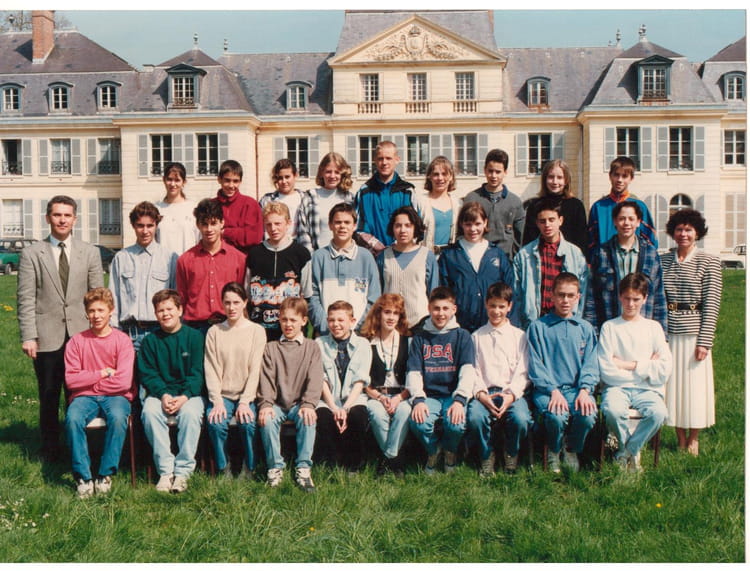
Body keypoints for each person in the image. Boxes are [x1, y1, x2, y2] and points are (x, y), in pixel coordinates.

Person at [17, 195, 104, 461]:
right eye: (57, 215)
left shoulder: (89, 252)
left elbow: (98, 296)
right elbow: (26, 298)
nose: (62, 220)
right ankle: (50, 449)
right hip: (47, 335)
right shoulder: (33, 253)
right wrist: (29, 336)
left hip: (82, 335)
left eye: (67, 215)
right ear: (48, 218)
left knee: (82, 393)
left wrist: (99, 335)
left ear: (75, 219)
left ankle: (83, 446)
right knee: (49, 393)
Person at [660, 209, 722, 456]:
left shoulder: (709, 262)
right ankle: (680, 437)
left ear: (697, 233)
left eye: (688, 229)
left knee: (695, 388)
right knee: (673, 387)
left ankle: (693, 438)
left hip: (695, 334)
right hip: (669, 333)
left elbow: (712, 303)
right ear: (672, 232)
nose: (683, 234)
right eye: (679, 229)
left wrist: (704, 341)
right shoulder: (664, 260)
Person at [63, 288, 135, 498]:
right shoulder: (76, 342)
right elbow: (71, 380)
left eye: (101, 310)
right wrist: (102, 373)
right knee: (73, 418)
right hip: (83, 398)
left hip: (116, 396)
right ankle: (83, 477)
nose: (96, 315)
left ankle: (105, 474)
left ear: (111, 311)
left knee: (119, 418)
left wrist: (89, 383)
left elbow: (123, 382)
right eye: (92, 311)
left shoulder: (122, 341)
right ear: (86, 313)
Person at [598, 273, 671, 473]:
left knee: (659, 413)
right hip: (617, 387)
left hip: (647, 390)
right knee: (612, 411)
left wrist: (628, 365)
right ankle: (629, 451)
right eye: (627, 298)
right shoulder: (610, 327)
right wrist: (647, 367)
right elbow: (607, 370)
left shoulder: (653, 328)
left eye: (636, 299)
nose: (631, 304)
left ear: (645, 299)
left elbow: (664, 369)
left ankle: (626, 451)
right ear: (620, 297)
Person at [527, 273, 598, 473]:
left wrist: (585, 390)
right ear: (552, 296)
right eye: (561, 295)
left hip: (576, 389)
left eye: (570, 295)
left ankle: (571, 448)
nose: (565, 300)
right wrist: (553, 390)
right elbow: (535, 365)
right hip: (548, 390)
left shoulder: (585, 328)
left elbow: (591, 364)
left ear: (578, 297)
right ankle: (554, 448)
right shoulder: (538, 327)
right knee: (556, 416)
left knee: (587, 414)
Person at [138, 289, 205, 493]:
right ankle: (166, 471)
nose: (165, 314)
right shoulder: (150, 341)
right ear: (155, 314)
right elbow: (148, 374)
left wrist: (184, 396)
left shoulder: (195, 337)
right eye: (160, 310)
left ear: (180, 310)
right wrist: (164, 395)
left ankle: (183, 471)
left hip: (189, 394)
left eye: (169, 309)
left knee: (191, 415)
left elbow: (198, 373)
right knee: (149, 413)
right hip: (160, 394)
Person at [257, 297, 324, 492]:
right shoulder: (271, 348)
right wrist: (266, 404)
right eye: (284, 319)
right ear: (279, 320)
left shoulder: (312, 347)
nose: (288, 324)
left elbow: (315, 378)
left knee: (308, 417)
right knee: (267, 419)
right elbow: (266, 379)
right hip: (277, 403)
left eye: (293, 320)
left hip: (299, 404)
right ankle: (275, 468)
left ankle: (303, 468)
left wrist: (309, 404)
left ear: (304, 321)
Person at [407, 286, 476, 474]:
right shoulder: (420, 337)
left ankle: (450, 451)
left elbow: (468, 371)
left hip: (452, 396)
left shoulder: (462, 336)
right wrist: (418, 400)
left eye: (445, 308)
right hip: (429, 396)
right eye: (436, 308)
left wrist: (460, 400)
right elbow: (414, 372)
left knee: (456, 424)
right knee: (418, 423)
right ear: (429, 308)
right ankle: (433, 450)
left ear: (454, 309)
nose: (440, 313)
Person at [467, 282, 532, 476]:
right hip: (485, 393)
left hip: (510, 393)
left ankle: (511, 453)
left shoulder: (519, 336)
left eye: (501, 306)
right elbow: (473, 370)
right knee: (475, 417)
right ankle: (486, 455)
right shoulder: (476, 337)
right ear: (486, 305)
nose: (496, 311)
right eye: (492, 306)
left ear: (509, 307)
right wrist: (481, 394)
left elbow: (523, 371)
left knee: (521, 418)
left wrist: (511, 395)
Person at [204, 282, 266, 479]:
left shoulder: (257, 331)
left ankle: (249, 467)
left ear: (245, 303)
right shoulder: (214, 332)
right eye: (227, 303)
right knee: (215, 423)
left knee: (248, 423)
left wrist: (245, 402)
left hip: (247, 394)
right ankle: (224, 468)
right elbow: (211, 369)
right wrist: (217, 401)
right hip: (222, 395)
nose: (231, 307)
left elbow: (256, 370)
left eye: (236, 302)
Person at [584, 201, 667, 335]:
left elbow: (659, 296)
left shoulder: (650, 254)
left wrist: (662, 335)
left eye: (631, 219)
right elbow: (592, 297)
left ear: (638, 222)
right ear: (615, 222)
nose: (626, 223)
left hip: (643, 330)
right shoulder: (602, 253)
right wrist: (592, 333)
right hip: (611, 328)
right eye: (622, 219)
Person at [109, 201, 177, 350]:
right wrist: (115, 333)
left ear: (156, 225)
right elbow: (114, 297)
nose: (145, 231)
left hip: (162, 333)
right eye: (140, 226)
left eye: (150, 226)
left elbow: (176, 298)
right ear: (133, 226)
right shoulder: (121, 258)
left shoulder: (170, 258)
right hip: (130, 335)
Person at [438, 202, 516, 333]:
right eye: (468, 224)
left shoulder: (497, 254)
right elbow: (443, 292)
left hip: (492, 324)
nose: (473, 229)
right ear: (461, 224)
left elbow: (510, 290)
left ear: (485, 223)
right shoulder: (449, 255)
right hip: (460, 325)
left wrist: (510, 323)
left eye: (477, 224)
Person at [514, 198, 589, 330]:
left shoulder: (575, 254)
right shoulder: (524, 255)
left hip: (566, 321)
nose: (547, 225)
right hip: (535, 322)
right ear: (537, 223)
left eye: (551, 220)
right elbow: (517, 293)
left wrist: (576, 320)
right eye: (542, 221)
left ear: (560, 220)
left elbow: (583, 290)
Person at [314, 301, 371, 472]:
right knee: (323, 417)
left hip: (353, 398)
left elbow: (360, 381)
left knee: (358, 416)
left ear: (352, 321)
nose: (335, 324)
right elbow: (321, 379)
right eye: (331, 320)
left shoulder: (363, 344)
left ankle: (353, 464)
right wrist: (333, 407)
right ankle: (330, 464)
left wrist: (345, 408)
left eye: (341, 320)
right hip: (328, 398)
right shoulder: (319, 343)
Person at [176, 198, 246, 334]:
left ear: (222, 223)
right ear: (197, 225)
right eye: (204, 224)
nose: (209, 229)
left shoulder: (239, 259)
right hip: (195, 328)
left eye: (213, 223)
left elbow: (241, 296)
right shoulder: (185, 260)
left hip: (229, 324)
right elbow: (182, 298)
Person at [309, 203, 381, 335]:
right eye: (338, 222)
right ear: (330, 225)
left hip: (358, 335)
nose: (342, 226)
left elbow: (374, 298)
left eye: (347, 222)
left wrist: (358, 328)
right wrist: (326, 327)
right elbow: (313, 297)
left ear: (354, 226)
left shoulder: (366, 257)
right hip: (327, 334)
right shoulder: (319, 257)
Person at [361, 294, 411, 475]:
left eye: (396, 313)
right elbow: (362, 380)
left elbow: (413, 378)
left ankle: (387, 458)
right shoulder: (367, 342)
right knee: (376, 413)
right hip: (376, 395)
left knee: (404, 412)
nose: (391, 317)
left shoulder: (408, 341)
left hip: (402, 395)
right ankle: (396, 460)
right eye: (387, 312)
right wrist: (381, 398)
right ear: (378, 314)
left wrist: (399, 398)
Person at [246, 202, 312, 341]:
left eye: (278, 223)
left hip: (290, 330)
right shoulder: (254, 254)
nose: (273, 228)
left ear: (288, 223)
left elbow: (307, 294)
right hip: (260, 329)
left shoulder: (301, 254)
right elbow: (247, 294)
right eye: (269, 224)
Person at [376, 206, 439, 328]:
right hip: (390, 324)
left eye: (408, 225)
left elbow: (433, 292)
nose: (402, 230)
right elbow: (378, 292)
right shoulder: (383, 256)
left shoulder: (427, 256)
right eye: (398, 226)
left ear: (415, 228)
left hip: (420, 323)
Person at [587, 156, 657, 258]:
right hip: (605, 262)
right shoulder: (598, 207)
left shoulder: (640, 207)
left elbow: (650, 241)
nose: (619, 180)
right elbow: (590, 243)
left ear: (631, 178)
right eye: (616, 175)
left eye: (624, 176)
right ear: (610, 176)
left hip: (634, 262)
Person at [463, 149, 525, 258]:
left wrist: (513, 258)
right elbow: (462, 231)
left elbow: (520, 236)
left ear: (505, 172)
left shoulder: (515, 202)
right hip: (477, 257)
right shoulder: (471, 198)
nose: (493, 176)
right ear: (484, 170)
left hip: (506, 259)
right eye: (490, 171)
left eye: (498, 172)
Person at [353, 141, 415, 250]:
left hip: (402, 252)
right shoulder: (364, 192)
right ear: (375, 160)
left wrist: (397, 246)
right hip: (373, 254)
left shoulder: (407, 191)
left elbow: (415, 225)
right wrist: (376, 245)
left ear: (397, 160)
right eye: (380, 158)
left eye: (388, 158)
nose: (384, 162)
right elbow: (357, 227)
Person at [522, 159, 587, 253]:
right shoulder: (535, 206)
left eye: (560, 177)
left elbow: (582, 240)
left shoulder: (576, 206)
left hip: (569, 256)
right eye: (551, 177)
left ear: (566, 180)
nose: (555, 182)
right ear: (545, 179)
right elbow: (528, 238)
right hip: (541, 256)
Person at [297, 152, 355, 252]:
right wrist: (312, 257)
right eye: (328, 172)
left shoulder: (350, 199)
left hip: (345, 255)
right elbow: (303, 232)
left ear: (342, 174)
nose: (332, 176)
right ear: (321, 172)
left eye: (337, 172)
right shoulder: (310, 197)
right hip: (317, 255)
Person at [412, 156, 462, 254]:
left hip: (451, 257)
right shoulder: (420, 202)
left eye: (444, 174)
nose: (440, 178)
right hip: (425, 256)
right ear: (429, 177)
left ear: (451, 177)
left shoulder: (458, 204)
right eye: (436, 174)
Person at [213, 159, 263, 255]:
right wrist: (239, 232)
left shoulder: (250, 204)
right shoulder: (211, 205)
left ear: (240, 181)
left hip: (243, 258)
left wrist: (225, 232)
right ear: (219, 179)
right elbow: (207, 235)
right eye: (227, 180)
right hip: (217, 257)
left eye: (235, 181)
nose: (231, 185)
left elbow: (254, 237)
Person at [155, 162, 200, 257]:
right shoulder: (156, 209)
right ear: (164, 180)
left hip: (188, 263)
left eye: (177, 180)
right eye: (169, 179)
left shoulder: (194, 208)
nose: (173, 184)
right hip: (163, 263)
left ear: (184, 182)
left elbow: (200, 240)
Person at [259, 158, 307, 238]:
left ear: (295, 175)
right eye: (280, 178)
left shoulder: (305, 199)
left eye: (287, 177)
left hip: (299, 242)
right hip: (274, 243)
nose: (284, 181)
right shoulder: (266, 200)